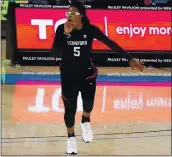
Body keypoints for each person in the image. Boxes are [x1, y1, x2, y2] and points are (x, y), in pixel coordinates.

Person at [51, 1, 144, 155]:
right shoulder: (62, 29)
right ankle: (71, 138)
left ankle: (86, 121)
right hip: (68, 75)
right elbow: (54, 54)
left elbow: (110, 43)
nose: (68, 15)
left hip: (87, 73)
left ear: (81, 15)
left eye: (72, 13)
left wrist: (129, 59)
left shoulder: (90, 29)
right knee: (70, 109)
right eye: (68, 13)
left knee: (88, 104)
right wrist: (65, 35)